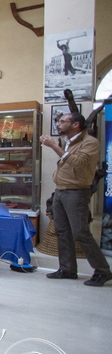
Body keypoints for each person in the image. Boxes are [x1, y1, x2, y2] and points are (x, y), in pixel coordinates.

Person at [40, 112, 112, 286]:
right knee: (62, 231)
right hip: (61, 191)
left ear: (75, 125)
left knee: (80, 233)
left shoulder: (90, 143)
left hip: (77, 192)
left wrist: (54, 147)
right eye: (58, 122)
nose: (58, 125)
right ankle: (67, 269)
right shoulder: (68, 142)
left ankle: (103, 271)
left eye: (62, 122)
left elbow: (79, 164)